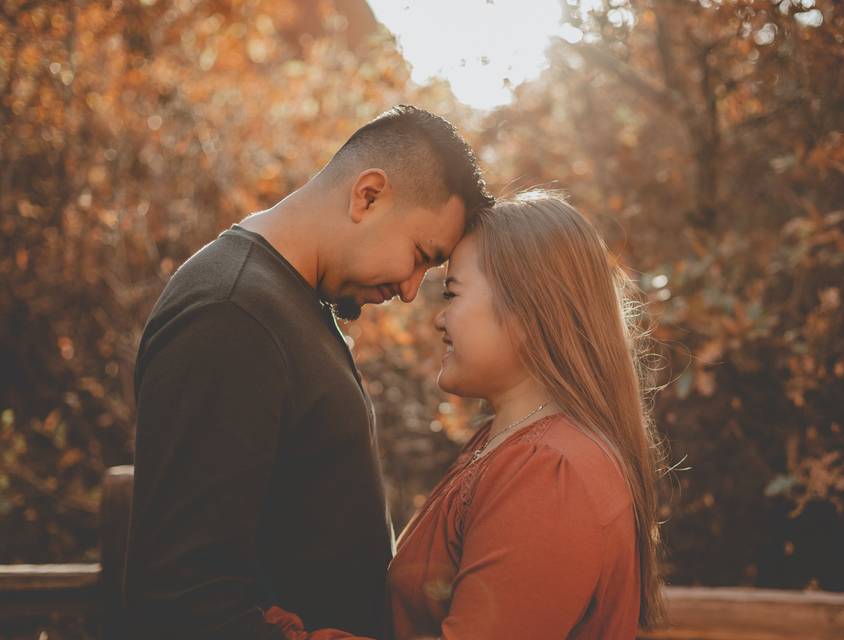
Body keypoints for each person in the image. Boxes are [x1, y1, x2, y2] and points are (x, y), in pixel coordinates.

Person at [122, 105, 493, 640]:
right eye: (419, 255)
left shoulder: (288, 305)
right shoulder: (231, 313)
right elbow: (179, 595)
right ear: (368, 195)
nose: (412, 289)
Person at [267, 191, 666, 639]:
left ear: (527, 308)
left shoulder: (551, 473)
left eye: (451, 293)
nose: (439, 319)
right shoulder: (508, 445)